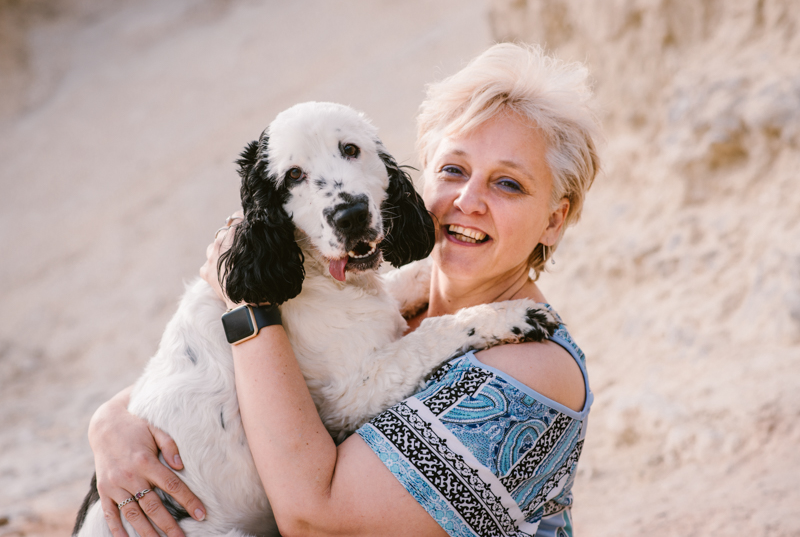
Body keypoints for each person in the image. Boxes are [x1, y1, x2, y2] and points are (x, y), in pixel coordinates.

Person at [88, 42, 601, 537]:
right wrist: (111, 421)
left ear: (555, 221)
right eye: (453, 170)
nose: (468, 200)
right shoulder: (382, 299)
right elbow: (230, 384)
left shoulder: (530, 368)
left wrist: (247, 309)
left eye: (508, 183)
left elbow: (316, 520)